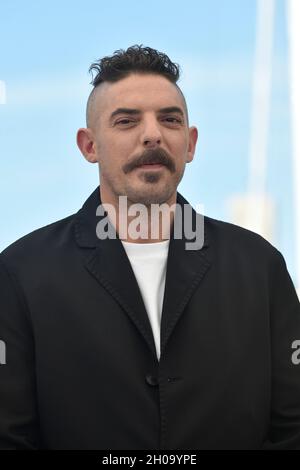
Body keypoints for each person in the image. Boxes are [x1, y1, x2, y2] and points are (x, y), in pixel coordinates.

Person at [0, 45, 300, 450]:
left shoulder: (260, 267)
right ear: (89, 146)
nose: (153, 134)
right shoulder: (21, 273)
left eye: (170, 119)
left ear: (190, 144)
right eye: (126, 121)